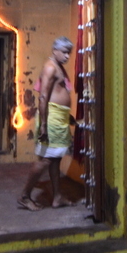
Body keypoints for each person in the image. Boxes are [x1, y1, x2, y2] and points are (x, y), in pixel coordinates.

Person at [19, 36, 76, 210]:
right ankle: (25, 196)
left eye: (69, 53)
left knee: (55, 159)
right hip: (50, 120)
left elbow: (56, 94)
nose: (67, 56)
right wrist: (43, 125)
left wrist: (66, 116)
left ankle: (57, 197)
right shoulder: (50, 68)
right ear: (55, 50)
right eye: (64, 52)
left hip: (58, 117)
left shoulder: (58, 67)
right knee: (45, 160)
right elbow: (43, 97)